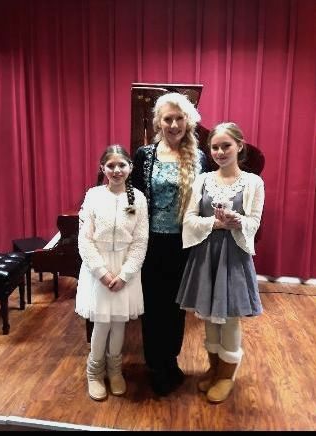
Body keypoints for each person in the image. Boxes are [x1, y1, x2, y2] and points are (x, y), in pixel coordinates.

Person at [176, 122, 265, 403]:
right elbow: (189, 219)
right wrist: (214, 223)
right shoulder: (202, 180)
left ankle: (227, 375)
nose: (220, 151)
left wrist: (238, 221)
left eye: (226, 145)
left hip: (233, 257)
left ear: (240, 146)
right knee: (207, 315)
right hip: (205, 254)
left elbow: (254, 221)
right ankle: (213, 369)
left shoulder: (253, 183)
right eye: (214, 147)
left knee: (228, 317)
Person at [131, 92, 208, 396]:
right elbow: (134, 198)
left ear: (187, 121)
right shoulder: (144, 155)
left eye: (179, 118)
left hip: (184, 244)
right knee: (153, 306)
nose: (174, 124)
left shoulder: (199, 157)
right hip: (150, 244)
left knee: (177, 307)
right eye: (168, 119)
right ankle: (155, 364)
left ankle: (171, 359)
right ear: (158, 123)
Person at [75, 145, 148, 401]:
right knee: (102, 323)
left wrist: (126, 273)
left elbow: (140, 240)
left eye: (122, 165)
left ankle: (115, 371)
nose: (117, 170)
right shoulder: (93, 196)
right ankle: (94, 372)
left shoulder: (138, 198)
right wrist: (102, 273)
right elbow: (85, 240)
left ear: (131, 167)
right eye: (111, 165)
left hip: (125, 268)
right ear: (102, 168)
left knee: (119, 323)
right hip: (99, 269)